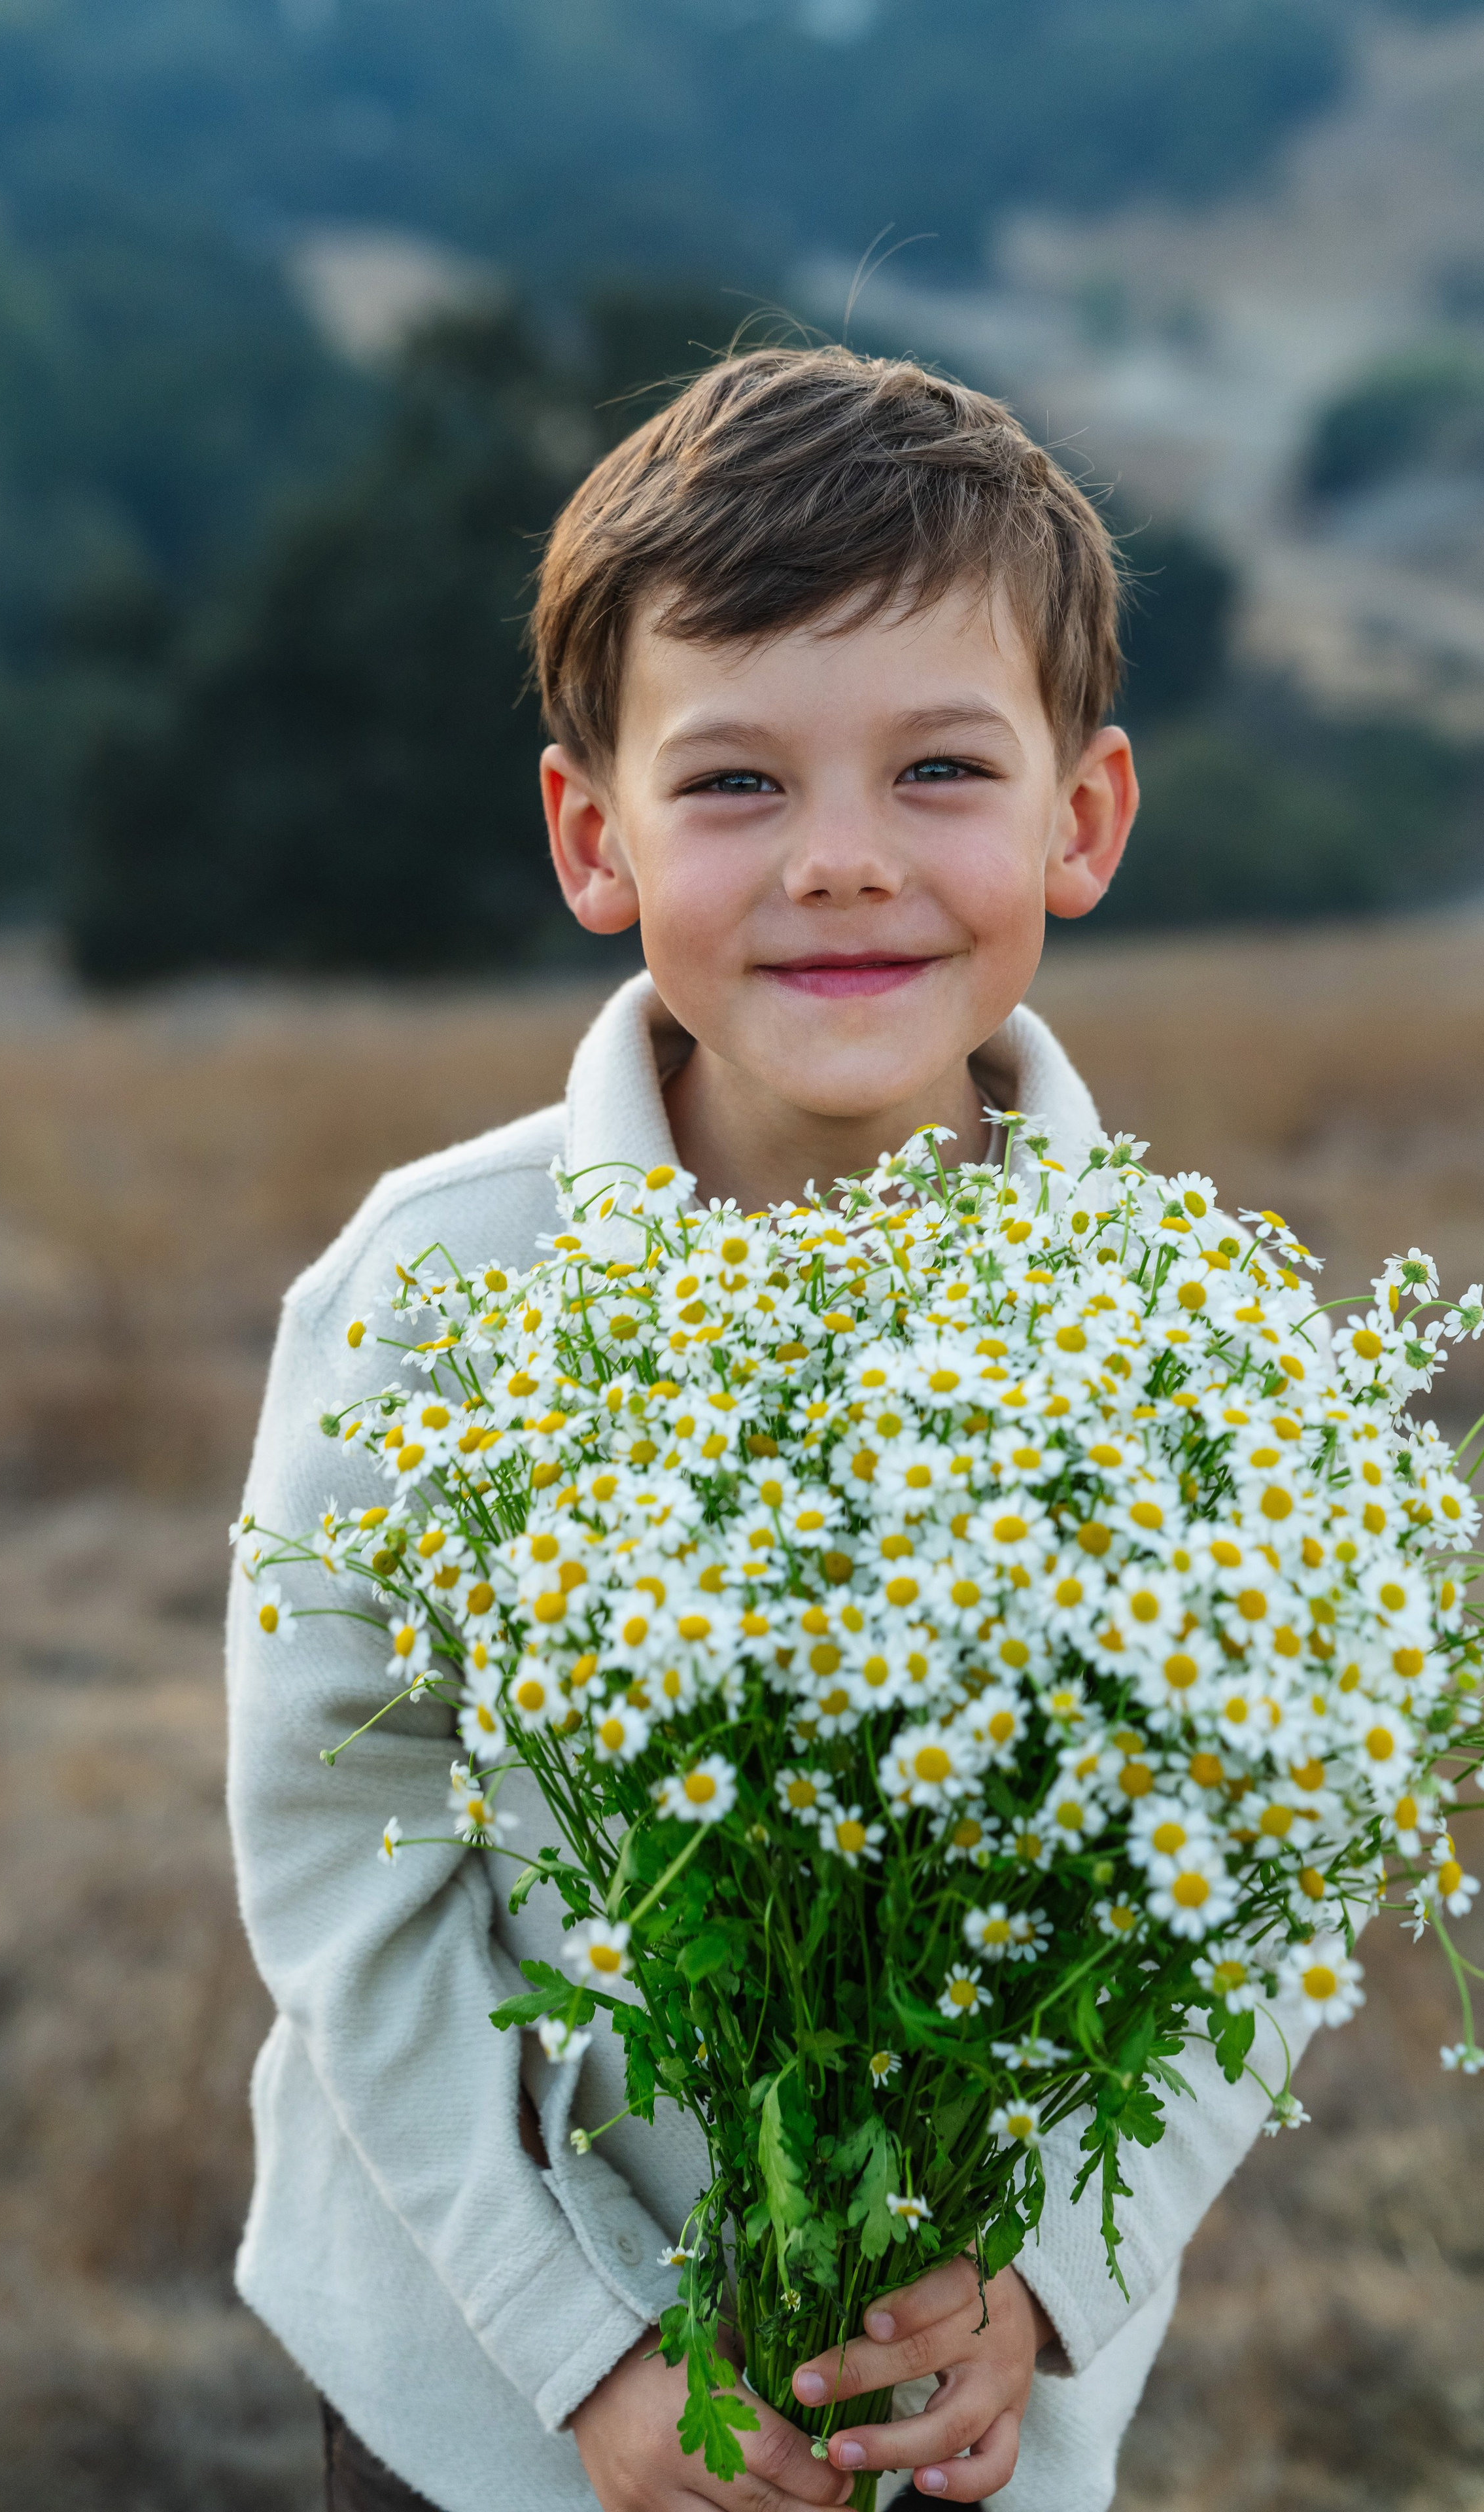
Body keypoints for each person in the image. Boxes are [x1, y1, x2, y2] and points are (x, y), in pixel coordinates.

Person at [226, 345, 1313, 2512]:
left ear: (1081, 819)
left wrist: (1051, 2290)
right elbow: (346, 1871)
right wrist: (597, 2360)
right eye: (733, 786)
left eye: (938, 772)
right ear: (590, 833)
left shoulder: (1189, 1336)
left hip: (960, 2424)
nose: (839, 865)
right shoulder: (437, 1286)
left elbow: (1262, 1899)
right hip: (488, 2422)